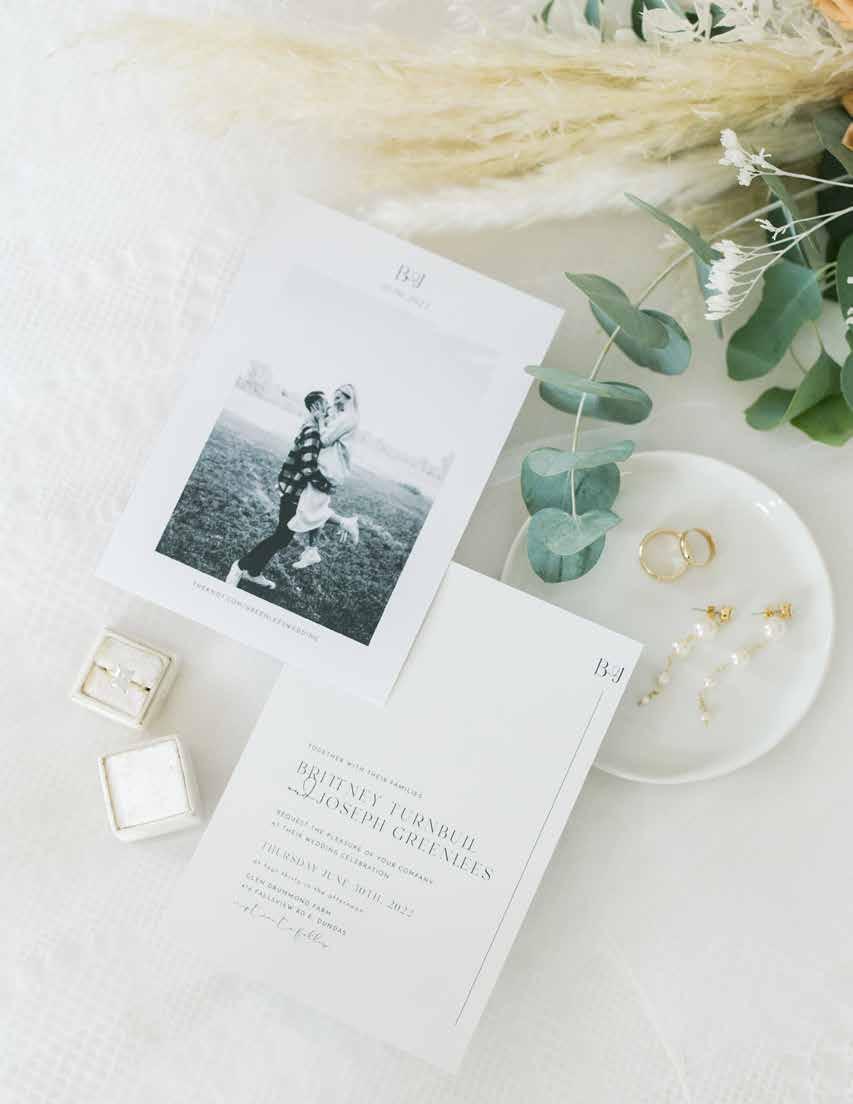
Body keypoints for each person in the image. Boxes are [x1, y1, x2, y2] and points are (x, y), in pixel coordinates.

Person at [224, 390, 329, 589]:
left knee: (282, 537)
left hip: (293, 489)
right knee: (281, 537)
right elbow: (308, 467)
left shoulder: (311, 427)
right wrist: (326, 485)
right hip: (294, 492)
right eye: (326, 404)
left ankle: (253, 572)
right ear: (317, 407)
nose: (329, 408)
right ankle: (240, 566)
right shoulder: (313, 431)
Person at [289, 384, 360, 570]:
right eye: (332, 398)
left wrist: (320, 420)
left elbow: (326, 439)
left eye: (337, 398)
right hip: (328, 468)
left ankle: (345, 523)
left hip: (328, 469)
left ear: (348, 397)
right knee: (315, 508)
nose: (333, 403)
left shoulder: (349, 418)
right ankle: (312, 551)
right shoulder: (342, 416)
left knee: (308, 511)